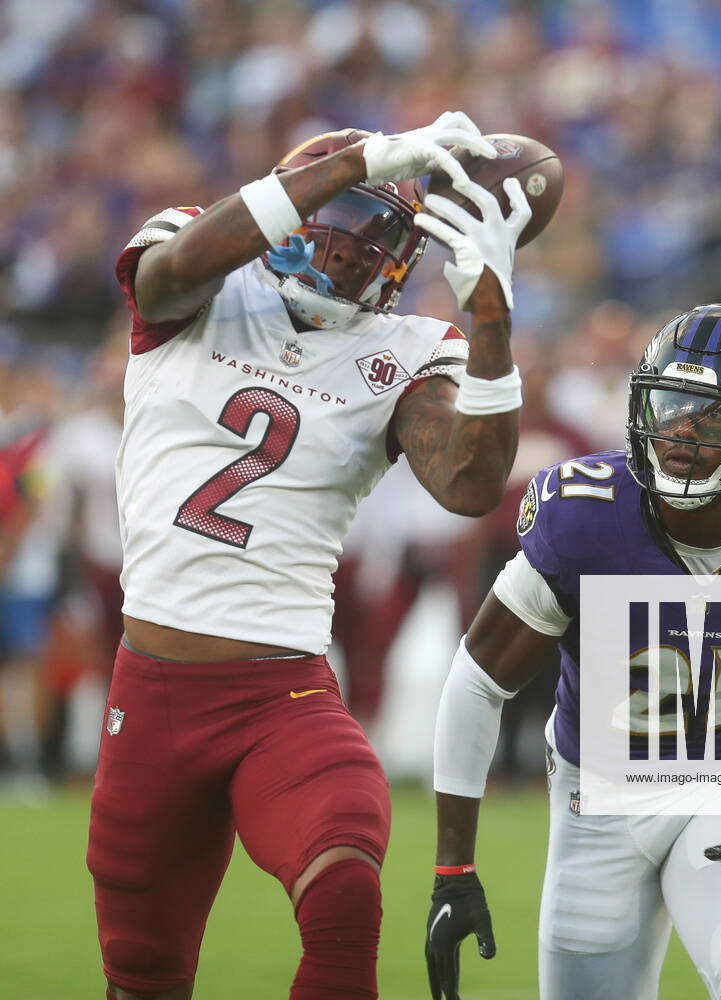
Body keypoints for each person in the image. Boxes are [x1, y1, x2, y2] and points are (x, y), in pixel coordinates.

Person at [87, 111, 531, 1000]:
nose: (356, 259)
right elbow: (174, 269)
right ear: (292, 218)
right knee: (143, 973)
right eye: (343, 232)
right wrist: (360, 162)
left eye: (379, 246)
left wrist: (489, 318)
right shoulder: (198, 275)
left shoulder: (405, 348)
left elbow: (471, 484)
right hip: (153, 691)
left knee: (344, 882)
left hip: (279, 691)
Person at [426, 304, 721, 1000]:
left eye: (712, 414)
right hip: (598, 804)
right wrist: (452, 869)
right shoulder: (585, 517)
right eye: (671, 404)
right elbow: (476, 681)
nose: (681, 429)